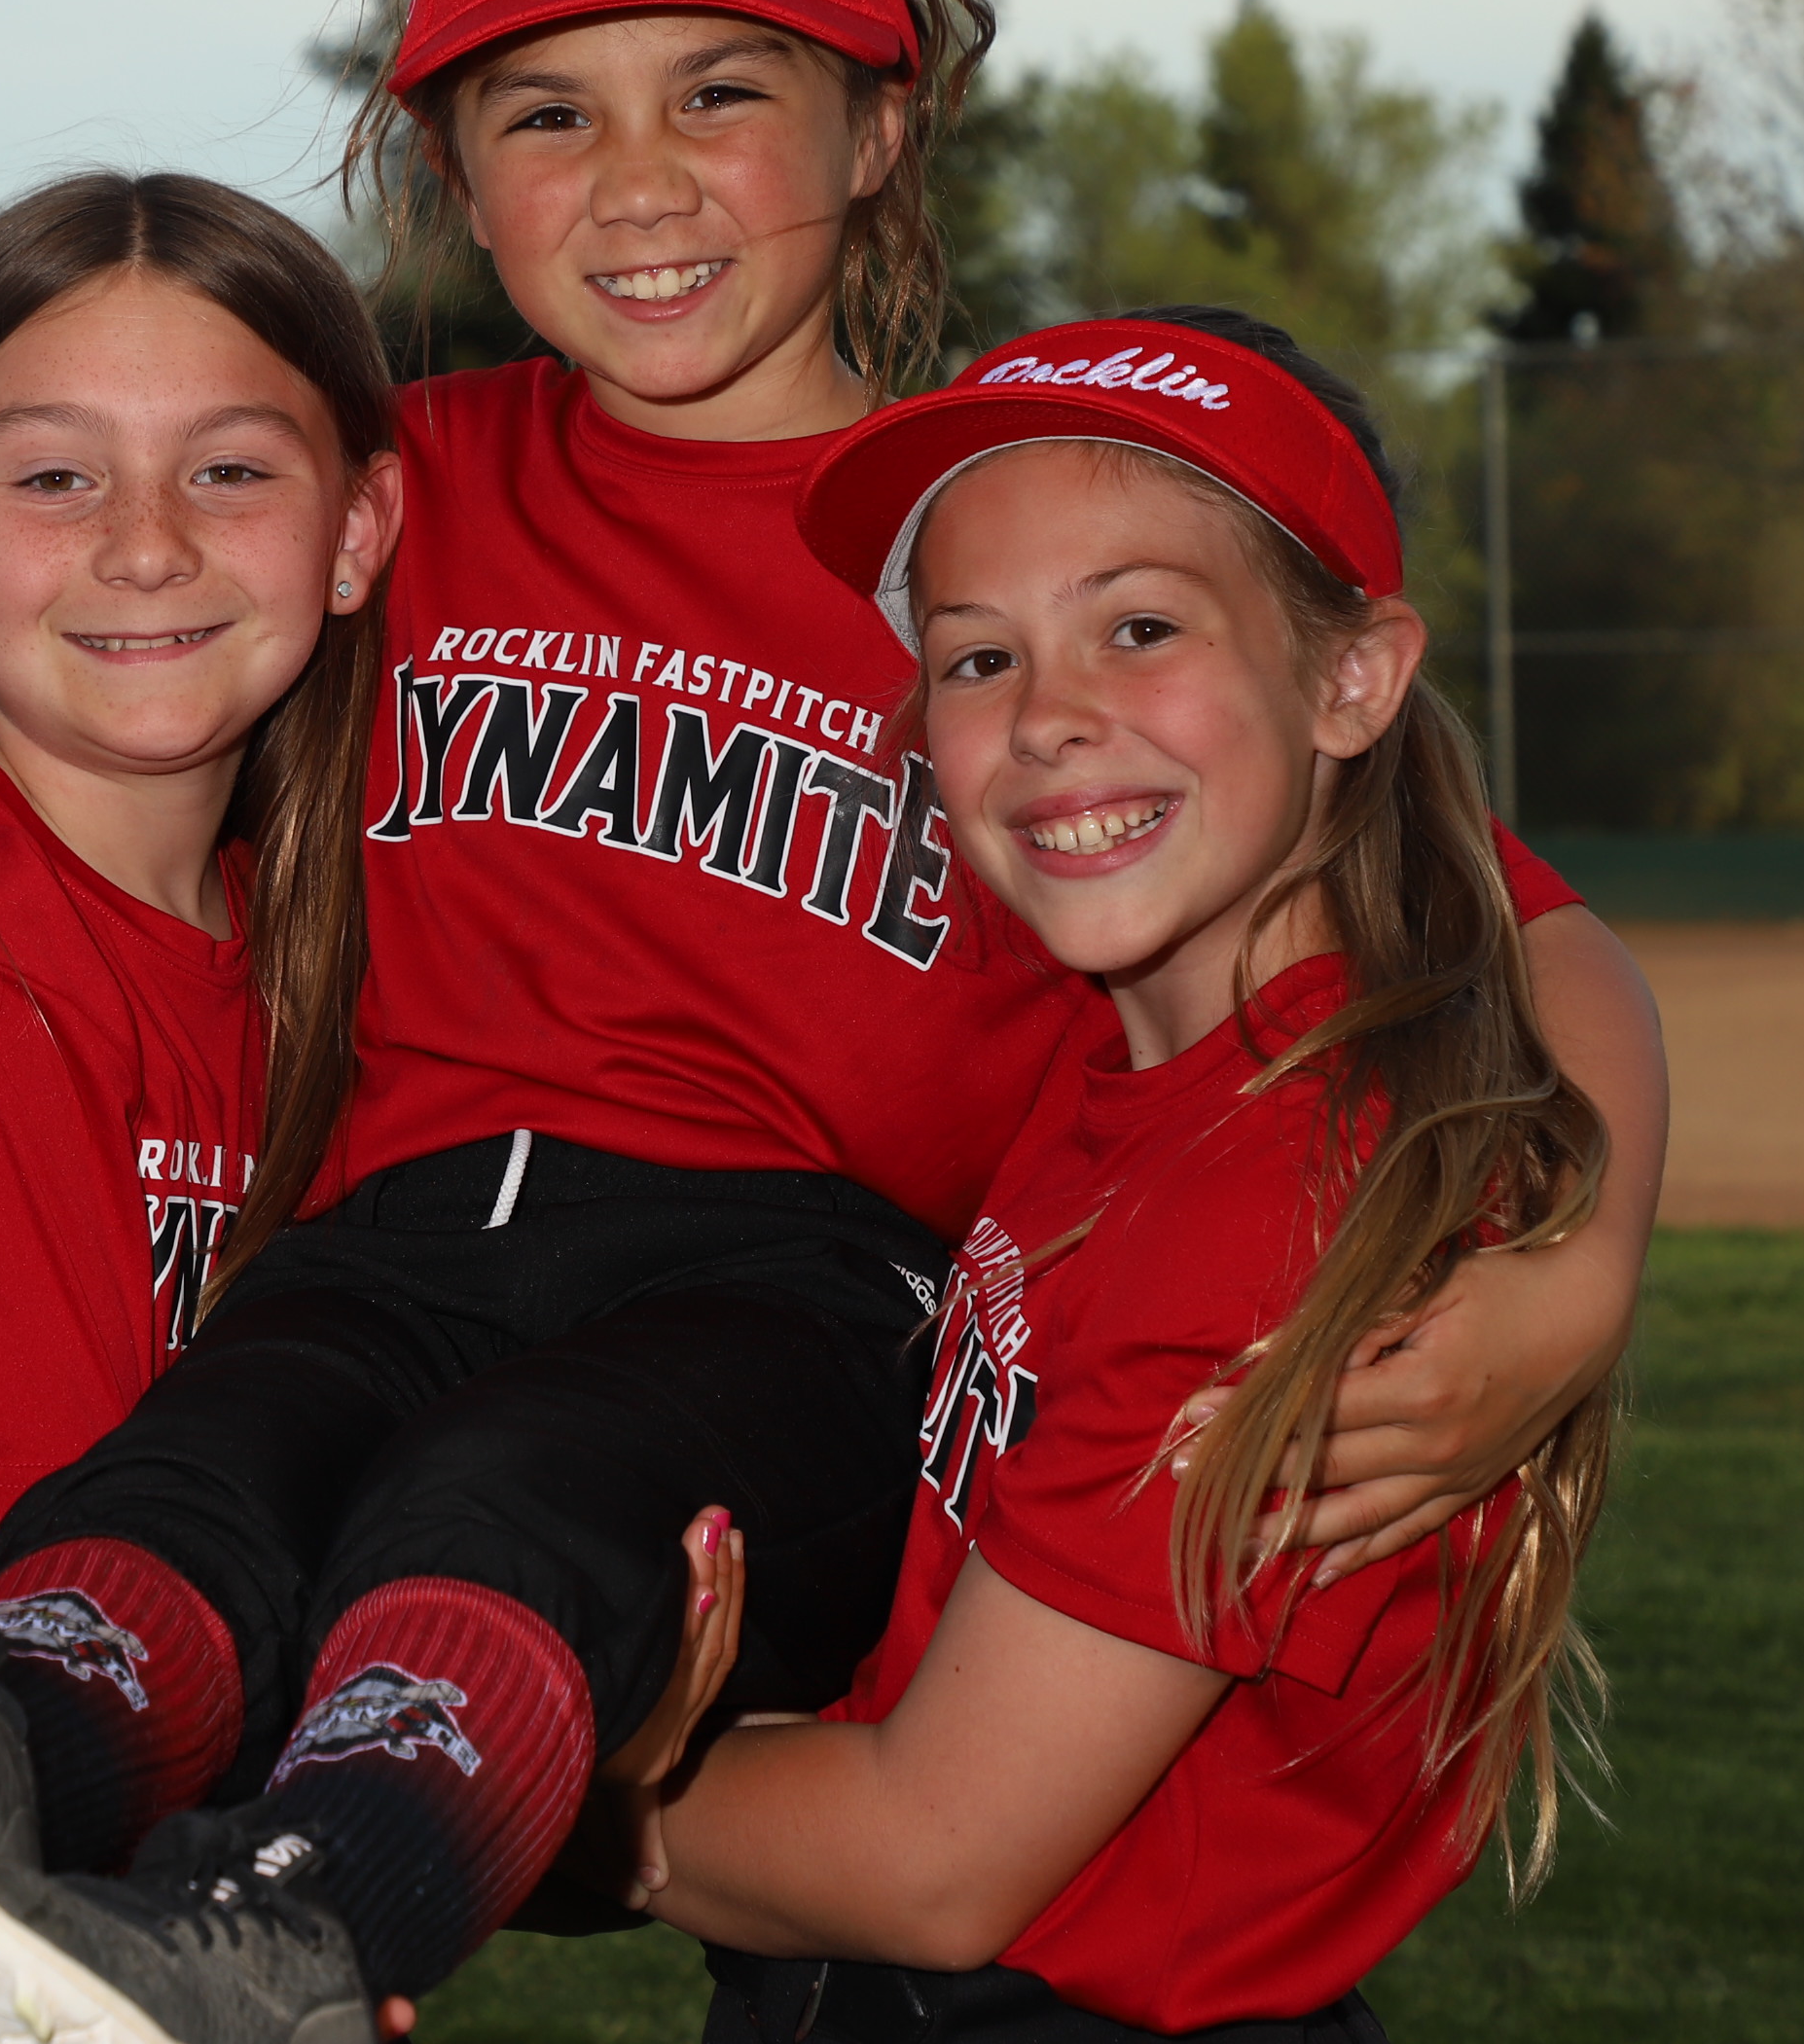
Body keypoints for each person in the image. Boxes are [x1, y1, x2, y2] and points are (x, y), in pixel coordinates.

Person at [0, 0, 1663, 2044]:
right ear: (450, 172)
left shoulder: (1012, 537)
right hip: (402, 1249)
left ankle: (292, 1930)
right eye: (546, 112)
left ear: (879, 127)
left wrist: (1577, 1269)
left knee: (514, 1498)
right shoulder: (388, 491)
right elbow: (111, 616)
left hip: (798, 1316)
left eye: (723, 93)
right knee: (211, 1468)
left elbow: (1513, 928)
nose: (637, 186)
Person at [613, 306, 1622, 2044]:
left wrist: (532, 1788)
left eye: (1140, 628)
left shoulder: (1264, 1200)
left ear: (1354, 679)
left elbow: (934, 1859)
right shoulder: (1154, 1042)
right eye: (977, 658)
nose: (1049, 720)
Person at [0, 173, 405, 1578]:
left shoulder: (336, 942)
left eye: (229, 471)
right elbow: (54, 1590)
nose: (148, 546)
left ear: (356, 531)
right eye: (56, 478)